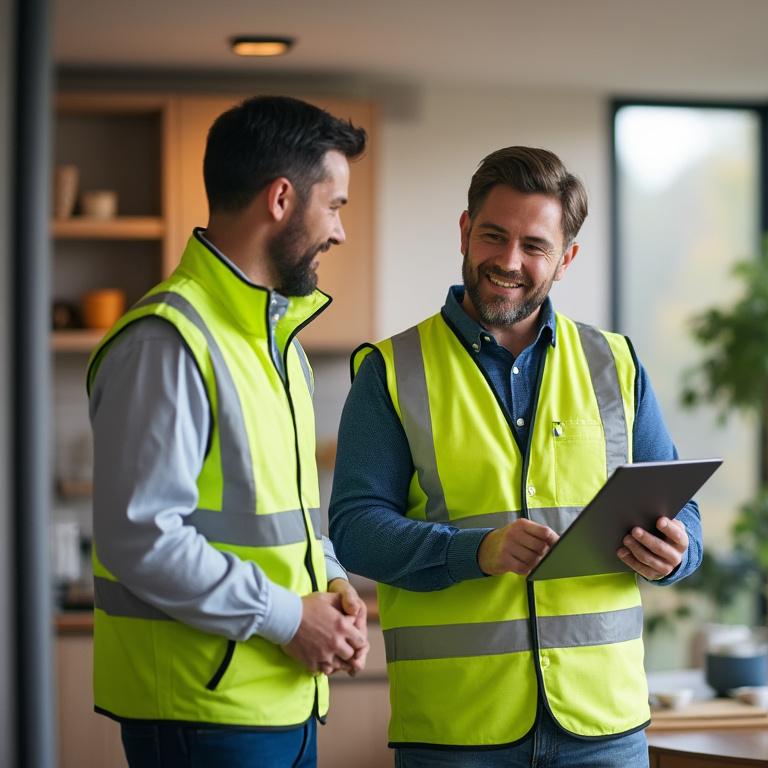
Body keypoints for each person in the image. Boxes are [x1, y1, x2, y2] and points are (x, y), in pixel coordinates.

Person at [329, 146, 704, 767]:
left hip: (603, 729)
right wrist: (473, 551)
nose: (508, 261)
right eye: (493, 236)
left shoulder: (616, 363)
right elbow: (355, 530)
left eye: (534, 246)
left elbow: (682, 516)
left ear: (566, 260)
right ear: (464, 231)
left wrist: (675, 553)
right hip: (456, 732)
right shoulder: (391, 370)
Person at [88, 95, 370, 767]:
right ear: (281, 199)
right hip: (203, 713)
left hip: (281, 701)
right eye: (334, 206)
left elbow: (284, 517)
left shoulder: (280, 346)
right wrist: (290, 617)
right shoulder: (168, 340)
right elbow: (142, 536)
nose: (340, 232)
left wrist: (331, 583)